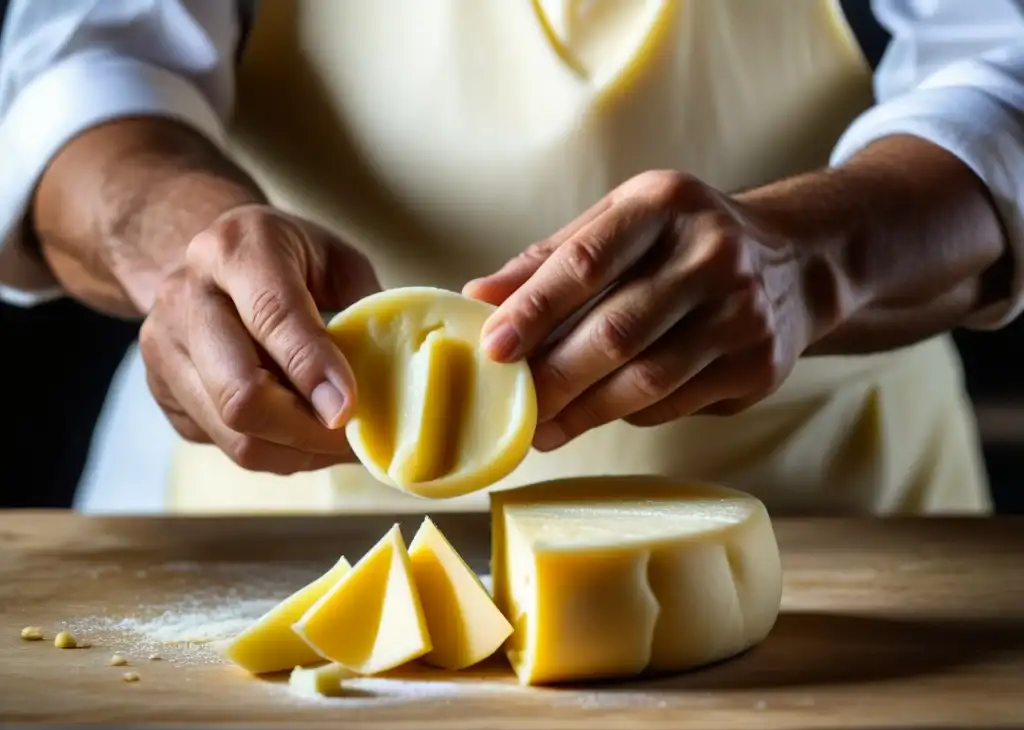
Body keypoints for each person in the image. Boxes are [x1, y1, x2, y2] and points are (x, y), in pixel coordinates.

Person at [1, 0, 1022, 516]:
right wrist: (194, 249)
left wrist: (810, 257)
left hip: (819, 527)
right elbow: (83, 69)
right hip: (259, 530)